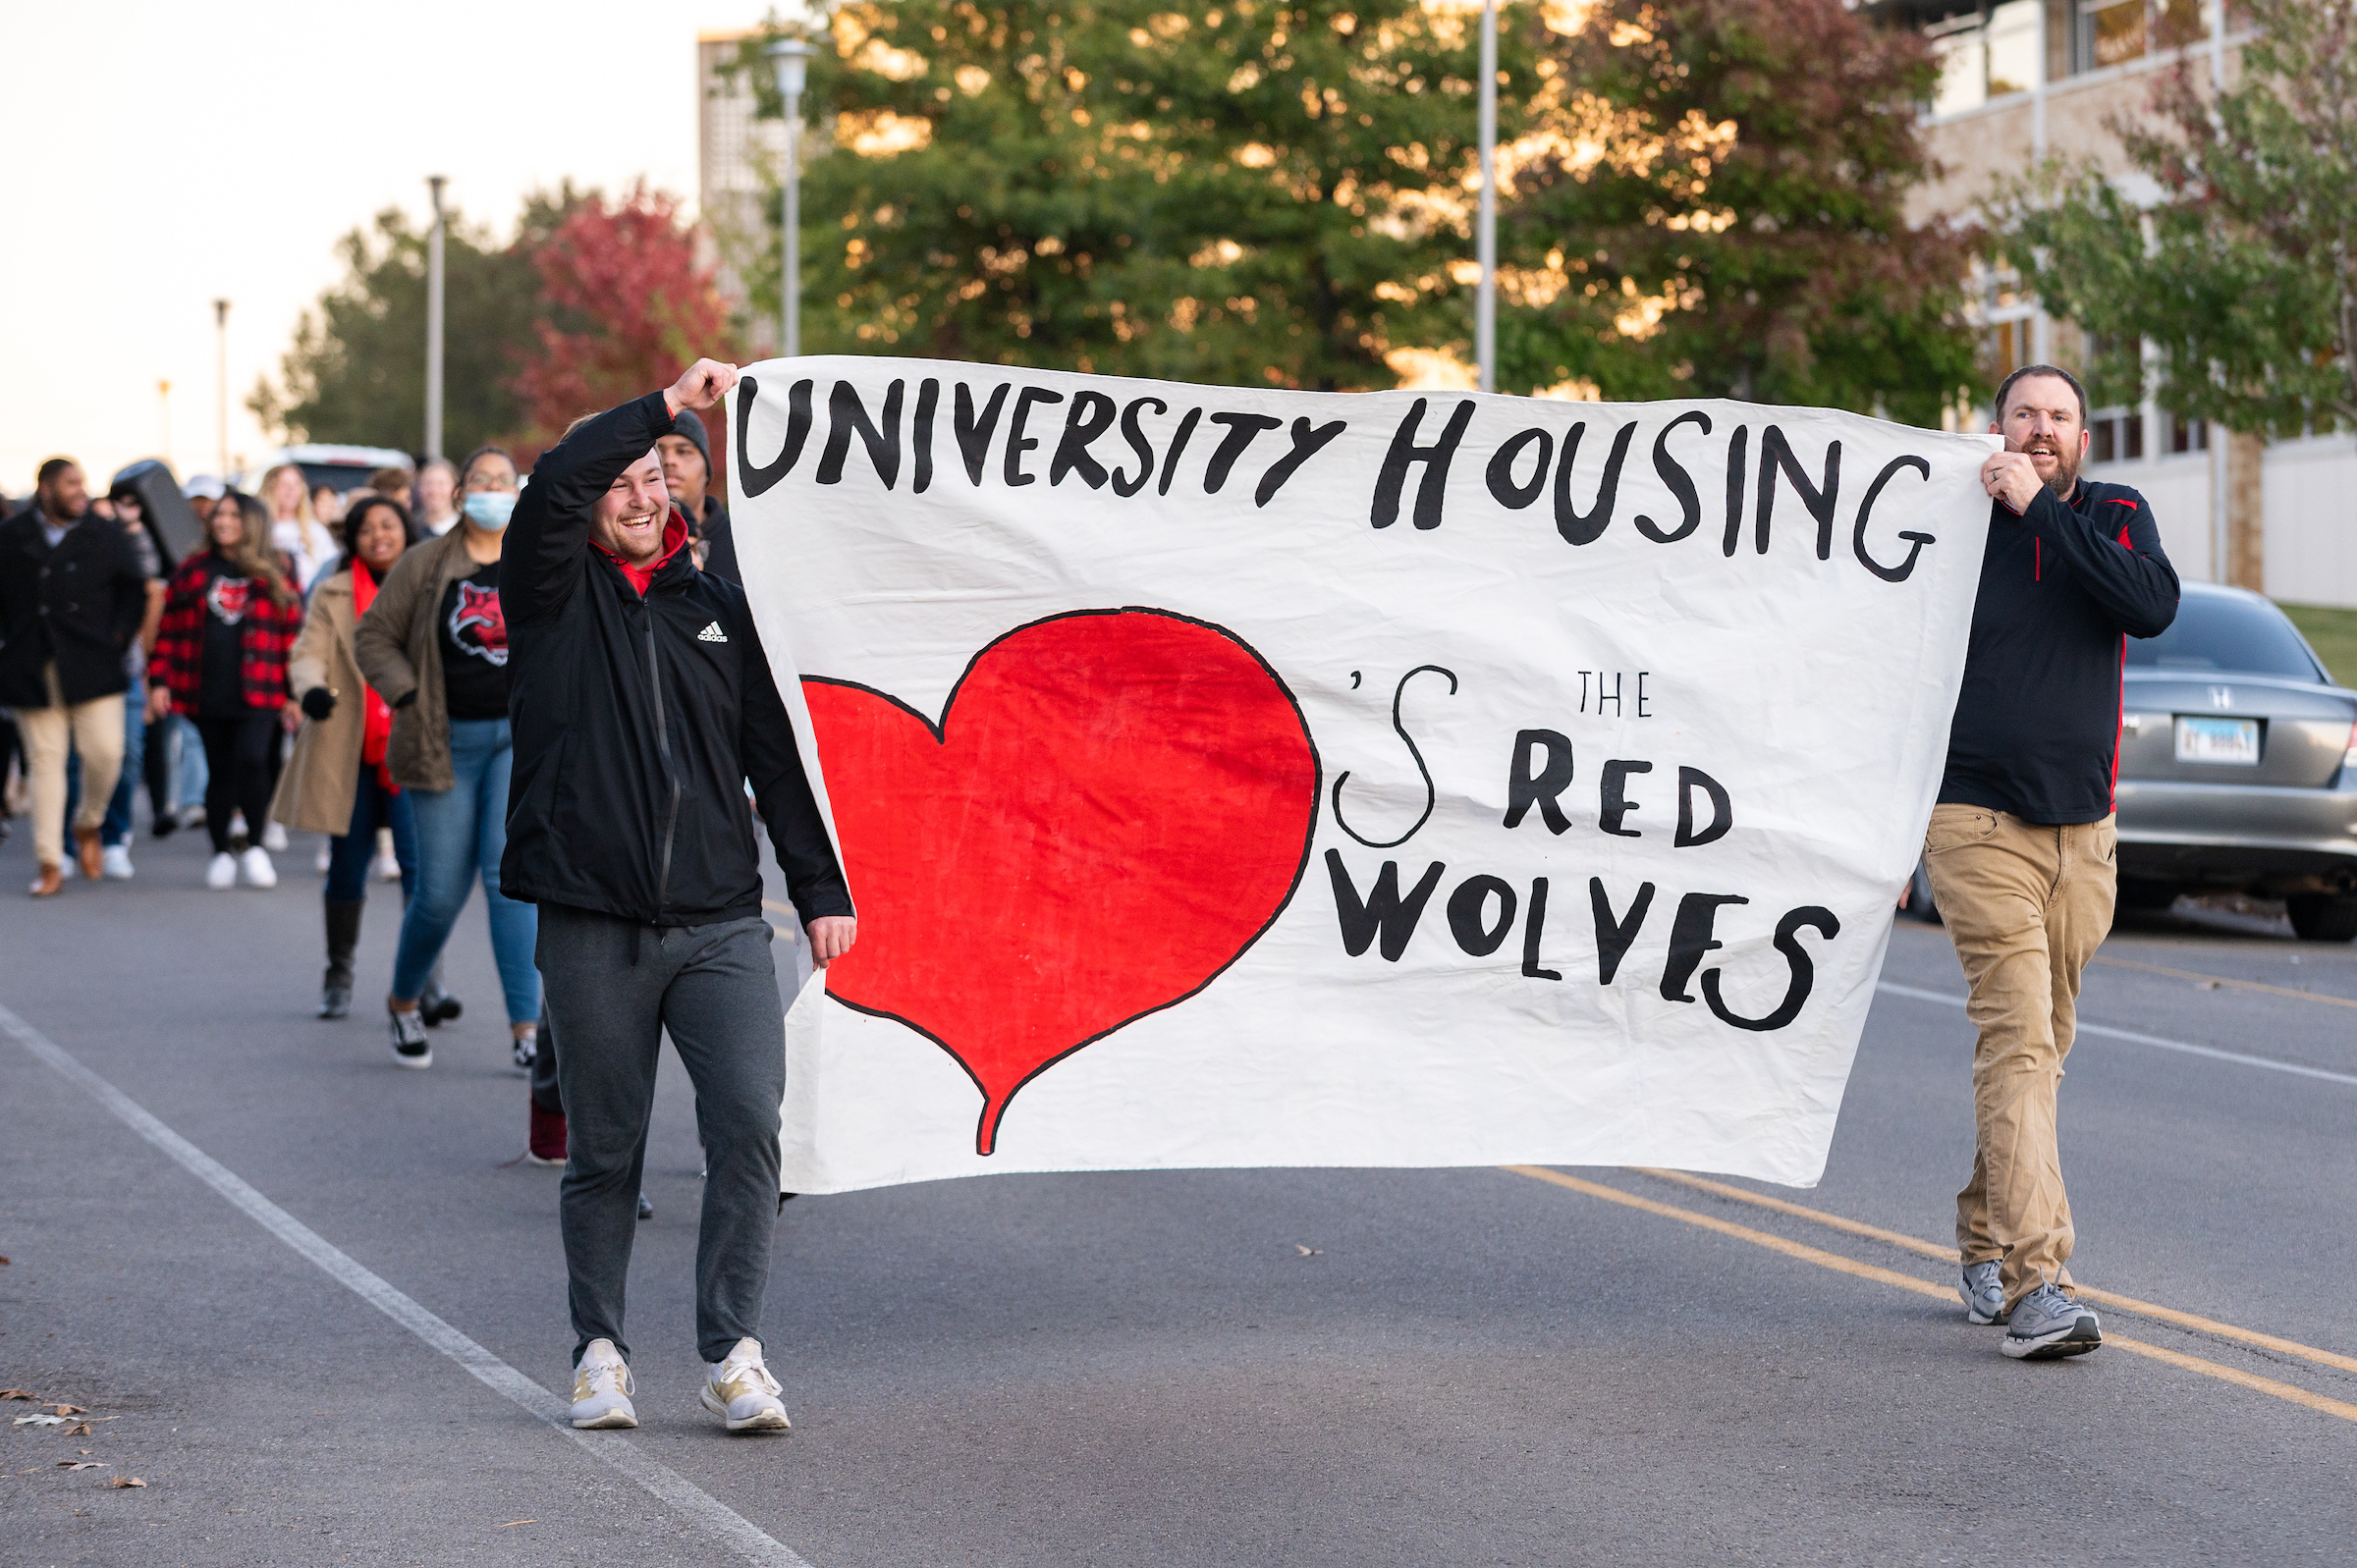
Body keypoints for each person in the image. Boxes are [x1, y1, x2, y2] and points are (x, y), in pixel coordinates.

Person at [503, 360, 852, 1433]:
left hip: (719, 923)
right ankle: (599, 1353)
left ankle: (732, 1352)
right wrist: (663, 404)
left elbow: (776, 761)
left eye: (654, 477)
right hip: (591, 922)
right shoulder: (550, 592)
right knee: (606, 1150)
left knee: (750, 1126)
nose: (639, 495)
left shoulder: (720, 612)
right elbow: (557, 479)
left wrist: (820, 886)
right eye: (620, 481)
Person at [1925, 363, 2178, 1361]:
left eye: (2059, 416)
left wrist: (2041, 511)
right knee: (2021, 1041)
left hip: (2085, 834)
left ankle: (1982, 1245)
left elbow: (2147, 605)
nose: (2041, 427)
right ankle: (2040, 1286)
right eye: (2024, 413)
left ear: (2083, 436)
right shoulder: (1951, 522)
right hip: (1976, 821)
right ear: (1995, 428)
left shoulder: (2115, 515)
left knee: (2040, 1048)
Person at [354, 444, 535, 1069]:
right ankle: (404, 1001)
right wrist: (407, 694)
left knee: (508, 882)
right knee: (437, 894)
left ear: (518, 492)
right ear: (459, 495)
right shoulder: (426, 563)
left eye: (503, 480)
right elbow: (373, 637)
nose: (492, 489)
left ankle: (526, 1029)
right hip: (442, 744)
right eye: (480, 479)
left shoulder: (536, 557)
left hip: (517, 742)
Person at [271, 494, 420, 1018]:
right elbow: (307, 653)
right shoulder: (331, 590)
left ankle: (424, 980)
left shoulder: (430, 584)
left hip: (414, 747)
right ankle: (338, 972)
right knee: (346, 869)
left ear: (406, 530)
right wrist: (310, 689)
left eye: (388, 525)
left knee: (420, 869)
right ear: (353, 540)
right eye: (367, 529)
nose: (379, 536)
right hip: (348, 747)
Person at [0, 459, 148, 895]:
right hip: (32, 664)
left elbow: (134, 590)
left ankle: (88, 823)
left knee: (107, 753)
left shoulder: (105, 533)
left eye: (82, 482)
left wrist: (117, 638)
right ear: (45, 489)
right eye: (70, 484)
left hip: (94, 662)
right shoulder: (11, 536)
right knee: (45, 761)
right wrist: (10, 641)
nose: (81, 490)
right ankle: (50, 861)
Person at [147, 490, 302, 890]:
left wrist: (295, 691)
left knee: (254, 759)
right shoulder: (193, 569)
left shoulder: (277, 567)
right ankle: (220, 852)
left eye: (234, 515)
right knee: (220, 770)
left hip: (262, 688)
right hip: (206, 687)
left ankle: (255, 845)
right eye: (219, 515)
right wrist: (159, 680)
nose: (223, 522)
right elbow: (169, 629)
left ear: (252, 522)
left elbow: (293, 633)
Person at [94, 480, 173, 879]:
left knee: (128, 755)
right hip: (86, 671)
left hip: (128, 669)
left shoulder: (141, 561)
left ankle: (115, 837)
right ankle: (83, 830)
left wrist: (148, 675)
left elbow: (148, 611)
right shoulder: (86, 554)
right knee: (86, 759)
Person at [654, 408, 733, 577]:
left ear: (706, 470)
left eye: (683, 451)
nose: (669, 461)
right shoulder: (632, 542)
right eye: (658, 452)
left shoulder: (740, 541)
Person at [262, 462, 335, 595]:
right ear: (270, 488)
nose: (291, 490)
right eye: (284, 484)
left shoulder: (315, 530)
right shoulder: (260, 527)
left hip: (308, 599)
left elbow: (331, 567)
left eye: (296, 484)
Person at [413, 458, 462, 537]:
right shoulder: (411, 529)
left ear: (456, 490)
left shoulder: (468, 529)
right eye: (428, 484)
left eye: (441, 484)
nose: (434, 490)